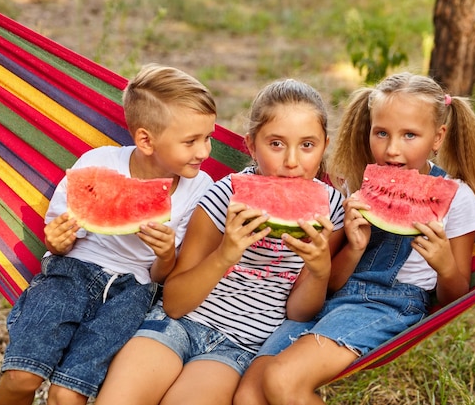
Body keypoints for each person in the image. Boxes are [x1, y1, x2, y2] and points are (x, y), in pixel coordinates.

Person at [233, 72, 475, 405]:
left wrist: (444, 264)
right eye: (382, 133)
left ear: (438, 136)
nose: (392, 149)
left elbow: (454, 296)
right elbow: (330, 282)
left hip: (389, 305)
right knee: (247, 396)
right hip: (329, 300)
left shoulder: (456, 197)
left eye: (410, 136)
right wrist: (355, 246)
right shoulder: (358, 186)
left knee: (282, 379)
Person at [95, 78, 355, 405]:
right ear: (251, 145)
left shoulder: (329, 210)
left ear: (324, 145)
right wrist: (226, 254)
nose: (292, 161)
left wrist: (319, 271)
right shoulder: (224, 195)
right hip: (174, 324)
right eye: (276, 144)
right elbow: (174, 302)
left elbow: (299, 312)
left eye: (307, 145)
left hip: (235, 350)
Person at [0, 63, 217, 405]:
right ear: (145, 140)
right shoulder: (98, 164)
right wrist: (58, 240)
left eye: (209, 138)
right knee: (21, 377)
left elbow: (164, 275)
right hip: (69, 275)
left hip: (134, 291)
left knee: (67, 395)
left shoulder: (201, 188)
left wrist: (166, 253)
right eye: (191, 141)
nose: (204, 151)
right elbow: (57, 241)